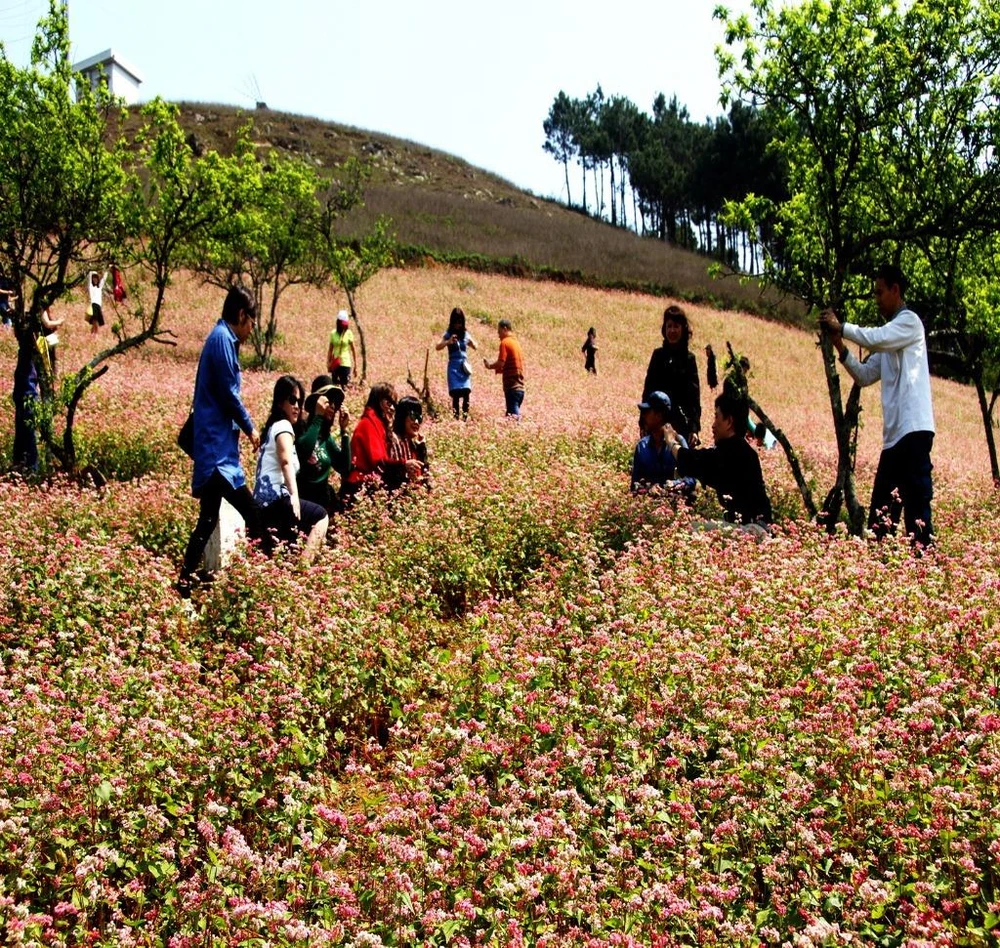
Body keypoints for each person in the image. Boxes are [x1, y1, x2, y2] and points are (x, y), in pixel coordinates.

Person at [819, 264, 935, 545]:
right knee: (880, 517)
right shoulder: (890, 340)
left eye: (880, 292)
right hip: (894, 439)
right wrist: (839, 345)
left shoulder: (909, 323)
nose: (876, 299)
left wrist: (842, 327)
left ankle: (923, 566)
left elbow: (878, 337)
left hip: (914, 431)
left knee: (917, 513)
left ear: (896, 290)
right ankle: (881, 572)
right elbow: (865, 374)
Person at [178, 286, 264, 597]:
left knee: (208, 519)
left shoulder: (220, 339)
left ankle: (184, 582)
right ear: (242, 315)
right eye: (252, 322)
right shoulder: (222, 342)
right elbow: (230, 395)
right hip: (217, 454)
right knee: (252, 511)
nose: (252, 330)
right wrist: (252, 429)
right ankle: (250, 579)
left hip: (217, 449)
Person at [665, 390, 772, 529]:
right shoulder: (743, 451)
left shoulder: (728, 454)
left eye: (717, 417)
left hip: (752, 530)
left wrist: (670, 440)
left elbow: (693, 461)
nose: (713, 425)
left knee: (691, 529)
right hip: (758, 527)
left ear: (729, 422)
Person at [253, 375, 329, 563]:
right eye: (292, 400)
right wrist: (294, 496)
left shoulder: (272, 427)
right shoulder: (283, 426)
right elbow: (286, 461)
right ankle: (304, 568)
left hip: (263, 503)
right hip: (277, 499)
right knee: (321, 516)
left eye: (300, 401)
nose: (297, 406)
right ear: (280, 402)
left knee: (281, 555)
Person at [342, 382, 422, 499]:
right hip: (359, 487)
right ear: (378, 402)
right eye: (388, 403)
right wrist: (403, 465)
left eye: (394, 404)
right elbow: (378, 462)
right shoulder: (368, 424)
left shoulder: (379, 425)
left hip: (369, 486)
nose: (392, 408)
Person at [642, 304, 701, 444]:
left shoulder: (689, 360)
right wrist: (643, 422)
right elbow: (648, 390)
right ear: (664, 329)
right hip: (656, 423)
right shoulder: (658, 356)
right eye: (669, 326)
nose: (672, 330)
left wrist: (694, 428)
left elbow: (694, 397)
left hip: (680, 424)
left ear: (683, 329)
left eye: (676, 326)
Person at [296, 375, 351, 513]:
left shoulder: (326, 437)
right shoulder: (301, 428)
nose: (333, 406)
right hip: (303, 502)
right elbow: (304, 451)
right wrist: (318, 417)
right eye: (328, 401)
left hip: (323, 503)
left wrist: (344, 432)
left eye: (335, 403)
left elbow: (344, 467)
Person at [630, 391, 693, 494]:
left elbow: (691, 479)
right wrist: (648, 490)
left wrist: (673, 485)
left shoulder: (679, 442)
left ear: (658, 416)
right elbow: (634, 485)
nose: (643, 416)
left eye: (647, 412)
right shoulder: (641, 446)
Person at [435, 307, 478, 419]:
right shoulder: (448, 334)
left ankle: (464, 418)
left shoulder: (465, 334)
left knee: (466, 392)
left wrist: (472, 343)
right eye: (456, 322)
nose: (458, 325)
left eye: (460, 322)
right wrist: (448, 342)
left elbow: (475, 346)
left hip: (464, 367)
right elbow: (437, 346)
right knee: (456, 394)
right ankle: (456, 418)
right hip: (453, 366)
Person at [484, 318, 525, 418]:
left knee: (513, 418)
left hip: (512, 388)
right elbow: (513, 365)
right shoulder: (517, 343)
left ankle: (517, 432)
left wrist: (490, 366)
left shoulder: (505, 342)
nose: (498, 335)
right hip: (520, 389)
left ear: (505, 329)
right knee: (509, 416)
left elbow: (501, 363)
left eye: (499, 332)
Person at [389, 395, 430, 488]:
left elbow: (423, 476)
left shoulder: (412, 444)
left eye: (419, 418)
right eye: (412, 415)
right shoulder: (392, 440)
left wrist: (422, 450)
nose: (416, 422)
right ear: (402, 417)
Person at [327, 310, 358, 387]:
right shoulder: (333, 333)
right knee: (334, 384)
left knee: (344, 384)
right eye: (342, 324)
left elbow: (353, 350)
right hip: (335, 362)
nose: (344, 326)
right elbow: (330, 350)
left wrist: (355, 366)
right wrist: (328, 362)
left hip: (346, 362)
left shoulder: (349, 333)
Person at [39, 307, 64, 378]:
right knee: (49, 359)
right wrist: (58, 322)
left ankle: (53, 376)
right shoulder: (41, 308)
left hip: (46, 337)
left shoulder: (42, 308)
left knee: (52, 358)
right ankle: (52, 376)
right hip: (45, 338)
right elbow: (47, 324)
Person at [86, 270, 108, 335]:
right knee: (94, 320)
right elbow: (89, 278)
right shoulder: (91, 286)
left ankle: (93, 333)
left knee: (96, 321)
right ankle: (95, 334)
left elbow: (104, 279)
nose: (95, 279)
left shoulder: (99, 287)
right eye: (94, 278)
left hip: (98, 305)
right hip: (94, 304)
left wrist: (107, 270)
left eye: (96, 278)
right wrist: (91, 271)